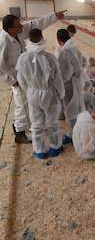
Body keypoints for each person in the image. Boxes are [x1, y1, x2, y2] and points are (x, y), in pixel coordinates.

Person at [0, 10, 66, 143]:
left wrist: (53, 16)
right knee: (22, 104)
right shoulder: (2, 42)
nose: (22, 27)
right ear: (10, 29)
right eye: (18, 25)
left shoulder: (19, 31)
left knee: (28, 103)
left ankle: (29, 126)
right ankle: (19, 131)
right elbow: (0, 66)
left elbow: (36, 23)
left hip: (26, 74)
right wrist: (12, 81)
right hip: (16, 77)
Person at [16, 29, 65, 159]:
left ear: (29, 39)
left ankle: (40, 150)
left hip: (33, 93)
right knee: (52, 121)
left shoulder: (22, 58)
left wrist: (29, 91)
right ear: (42, 37)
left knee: (36, 122)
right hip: (48, 93)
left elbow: (21, 79)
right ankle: (55, 147)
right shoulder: (50, 58)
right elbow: (58, 80)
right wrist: (61, 94)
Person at [57, 29, 83, 145]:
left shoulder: (64, 51)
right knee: (77, 106)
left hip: (69, 84)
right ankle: (78, 130)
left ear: (59, 40)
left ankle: (73, 133)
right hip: (77, 80)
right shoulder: (74, 47)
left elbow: (65, 73)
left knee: (70, 109)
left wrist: (58, 82)